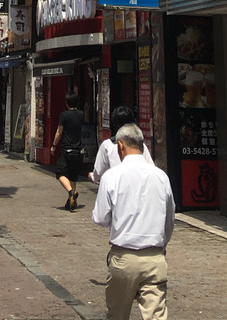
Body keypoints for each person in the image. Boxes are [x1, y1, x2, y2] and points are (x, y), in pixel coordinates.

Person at [92, 123, 175, 320]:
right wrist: (162, 245)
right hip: (154, 257)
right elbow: (170, 218)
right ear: (142, 145)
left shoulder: (111, 176)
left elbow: (100, 218)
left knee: (117, 315)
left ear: (120, 146)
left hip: (123, 257)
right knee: (156, 316)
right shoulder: (161, 176)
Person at [91, 105, 154, 183]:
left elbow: (98, 173)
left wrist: (92, 177)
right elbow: (151, 167)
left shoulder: (107, 145)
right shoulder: (140, 144)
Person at [52, 91, 85, 211]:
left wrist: (54, 145)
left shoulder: (64, 115)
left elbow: (59, 132)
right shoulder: (81, 114)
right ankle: (71, 201)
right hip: (78, 150)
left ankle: (71, 192)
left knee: (60, 173)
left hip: (67, 149)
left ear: (66, 103)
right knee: (73, 176)